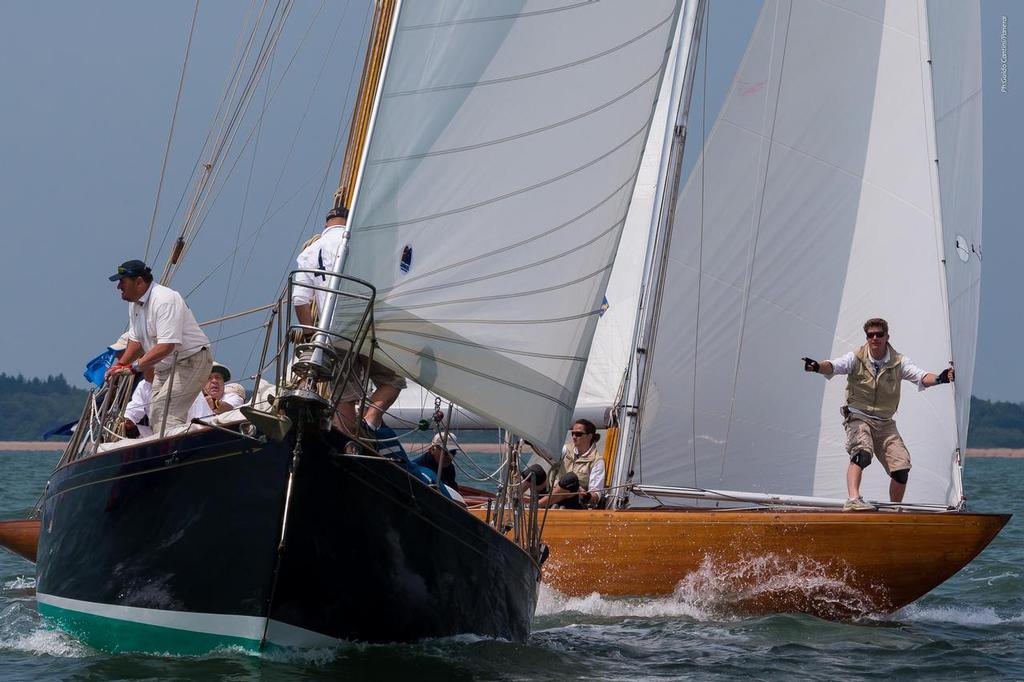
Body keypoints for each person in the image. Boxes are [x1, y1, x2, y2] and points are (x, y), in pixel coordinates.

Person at [802, 317, 954, 511]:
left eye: (879, 334)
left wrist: (941, 377)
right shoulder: (856, 357)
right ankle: (854, 500)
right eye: (870, 335)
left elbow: (922, 377)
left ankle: (894, 510)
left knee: (901, 469)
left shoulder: (899, 362)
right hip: (858, 416)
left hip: (885, 422)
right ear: (867, 338)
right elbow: (833, 365)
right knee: (862, 453)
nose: (874, 338)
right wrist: (816, 366)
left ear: (887, 336)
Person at [292, 206, 406, 436]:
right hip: (368, 328)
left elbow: (300, 300)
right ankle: (370, 420)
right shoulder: (366, 244)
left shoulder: (310, 252)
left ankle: (344, 439)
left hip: (334, 334)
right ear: (349, 221)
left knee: (344, 393)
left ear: (326, 225)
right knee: (393, 380)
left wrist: (309, 335)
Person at [105, 260, 212, 432]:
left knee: (166, 413)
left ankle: (177, 456)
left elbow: (167, 345)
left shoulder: (164, 299)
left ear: (139, 282)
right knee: (155, 414)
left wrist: (134, 368)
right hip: (165, 367)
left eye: (122, 281)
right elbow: (137, 341)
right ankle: (171, 453)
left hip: (190, 361)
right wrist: (120, 365)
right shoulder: (135, 304)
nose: (118, 286)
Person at [122, 363, 245, 438]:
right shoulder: (193, 391)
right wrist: (128, 423)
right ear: (201, 382)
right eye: (209, 378)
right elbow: (132, 412)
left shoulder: (232, 393)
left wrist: (214, 403)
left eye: (218, 378)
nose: (214, 381)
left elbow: (231, 407)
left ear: (224, 383)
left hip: (216, 433)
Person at [540, 419, 606, 509]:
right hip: (552, 495)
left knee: (571, 478)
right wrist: (533, 441)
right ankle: (515, 500)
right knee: (536, 471)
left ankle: (537, 505)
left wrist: (587, 495)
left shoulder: (597, 461)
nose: (574, 437)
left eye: (578, 434)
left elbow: (596, 494)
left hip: (574, 502)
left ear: (589, 436)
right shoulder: (566, 449)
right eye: (572, 433)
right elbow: (547, 453)